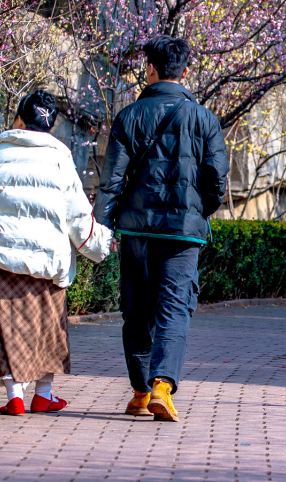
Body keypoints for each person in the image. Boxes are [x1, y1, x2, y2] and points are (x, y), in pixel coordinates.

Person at [94, 36, 229, 423]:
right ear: (185, 72)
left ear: (150, 69)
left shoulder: (129, 117)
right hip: (182, 233)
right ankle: (161, 387)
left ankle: (140, 391)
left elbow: (111, 181)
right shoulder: (204, 119)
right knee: (173, 308)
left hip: (136, 230)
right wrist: (197, 211)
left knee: (136, 309)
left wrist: (104, 225)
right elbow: (217, 182)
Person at [0, 89, 113, 416]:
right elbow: (77, 217)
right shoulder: (61, 160)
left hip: (2, 262)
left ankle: (14, 397)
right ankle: (43, 395)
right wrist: (100, 245)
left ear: (19, 119)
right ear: (51, 125)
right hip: (48, 262)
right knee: (46, 328)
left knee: (3, 328)